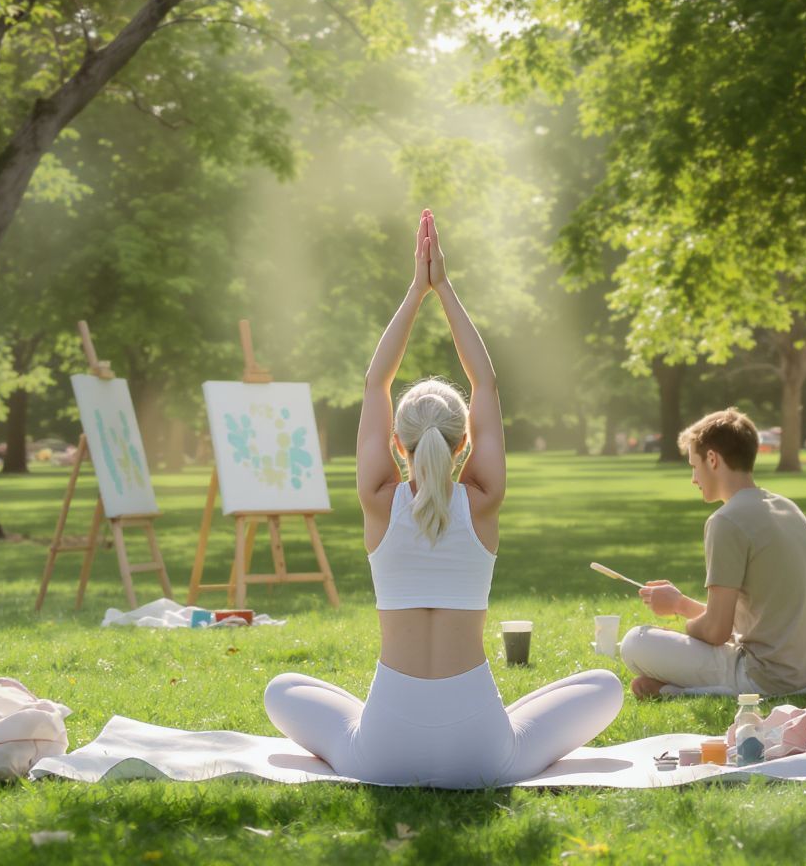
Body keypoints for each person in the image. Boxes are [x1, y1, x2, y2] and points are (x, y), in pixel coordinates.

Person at [264, 210, 622, 788]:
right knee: (604, 686)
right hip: (481, 751)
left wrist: (416, 291)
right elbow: (485, 385)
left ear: (398, 445)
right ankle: (495, 727)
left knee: (282, 689)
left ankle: (389, 732)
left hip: (382, 750)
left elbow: (375, 384)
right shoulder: (483, 500)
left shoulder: (378, 499)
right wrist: (444, 288)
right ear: (463, 444)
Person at [619, 408, 806, 698]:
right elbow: (744, 620)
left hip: (768, 678)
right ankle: (675, 689)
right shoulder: (788, 508)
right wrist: (679, 604)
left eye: (694, 466)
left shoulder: (726, 520)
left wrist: (685, 630)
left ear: (712, 459)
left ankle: (682, 691)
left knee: (635, 642)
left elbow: (716, 632)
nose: (693, 478)